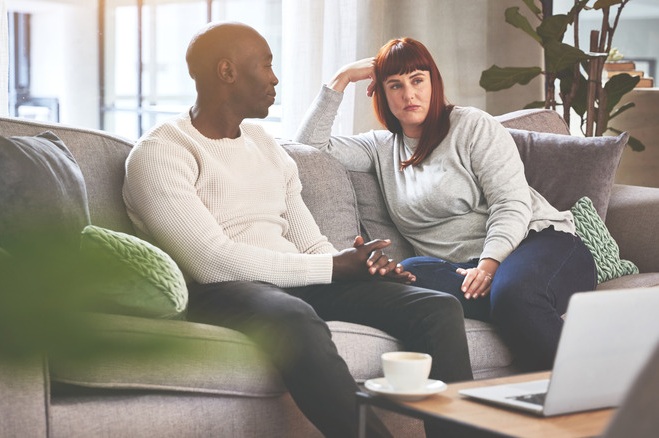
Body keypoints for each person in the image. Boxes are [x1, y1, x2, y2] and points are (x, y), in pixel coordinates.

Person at [123, 23, 473, 438]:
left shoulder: (265, 143)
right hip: (222, 288)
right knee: (295, 317)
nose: (274, 79)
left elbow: (309, 242)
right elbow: (211, 260)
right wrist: (334, 269)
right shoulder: (162, 151)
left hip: (289, 279)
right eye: (267, 66)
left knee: (435, 307)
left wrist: (359, 267)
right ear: (227, 71)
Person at [295, 37, 598, 372]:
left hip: (538, 244)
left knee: (513, 295)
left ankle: (584, 397)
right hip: (462, 272)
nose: (408, 95)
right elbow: (308, 147)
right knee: (408, 275)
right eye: (395, 85)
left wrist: (489, 265)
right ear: (381, 94)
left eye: (417, 80)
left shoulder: (472, 125)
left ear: (432, 82)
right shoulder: (380, 147)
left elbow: (510, 204)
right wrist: (342, 77)